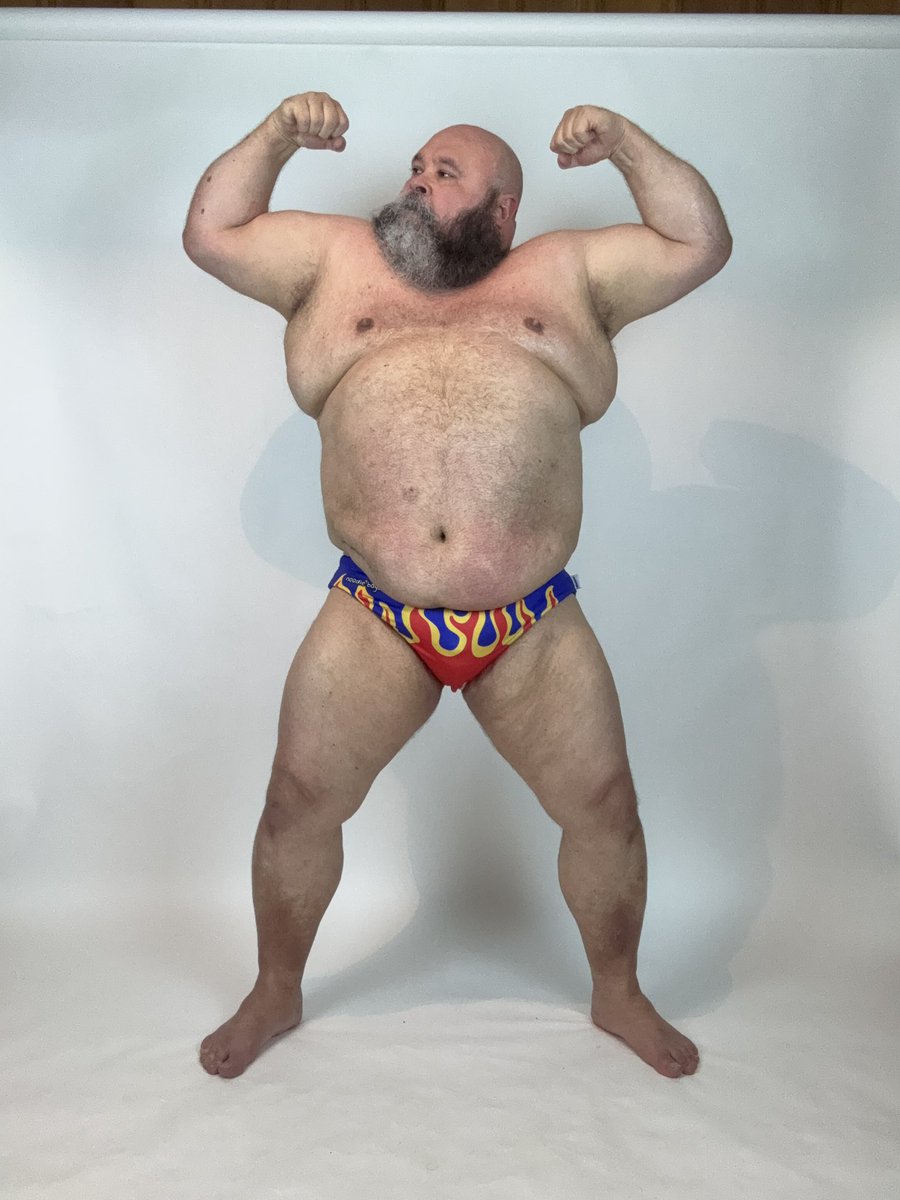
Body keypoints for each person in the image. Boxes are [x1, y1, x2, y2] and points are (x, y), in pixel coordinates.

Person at [182, 91, 732, 1080]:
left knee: (604, 807)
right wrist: (276, 134)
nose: (416, 181)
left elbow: (699, 243)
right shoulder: (335, 261)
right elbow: (212, 232)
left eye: (445, 173)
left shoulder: (566, 275)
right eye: (416, 166)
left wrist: (624, 144)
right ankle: (275, 989)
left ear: (503, 208)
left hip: (531, 624)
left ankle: (618, 991)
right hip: (374, 614)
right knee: (297, 801)